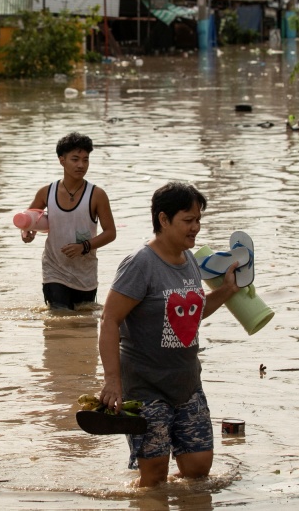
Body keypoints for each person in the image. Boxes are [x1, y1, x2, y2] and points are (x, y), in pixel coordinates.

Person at [97, 182, 241, 487]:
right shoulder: (140, 264)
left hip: (186, 382)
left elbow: (191, 313)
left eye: (198, 220)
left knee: (199, 469)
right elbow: (109, 320)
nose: (196, 228)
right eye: (188, 221)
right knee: (154, 475)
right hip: (146, 386)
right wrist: (112, 380)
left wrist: (227, 290)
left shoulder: (189, 259)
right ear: (164, 220)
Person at [21, 132, 116, 310]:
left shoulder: (97, 195)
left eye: (85, 160)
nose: (81, 165)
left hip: (85, 273)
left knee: (84, 324)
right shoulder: (46, 192)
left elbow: (111, 233)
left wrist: (84, 247)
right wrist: (27, 234)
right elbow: (27, 221)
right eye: (75, 159)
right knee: (60, 317)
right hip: (54, 270)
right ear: (61, 160)